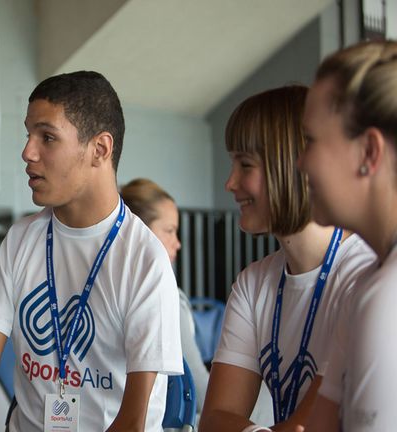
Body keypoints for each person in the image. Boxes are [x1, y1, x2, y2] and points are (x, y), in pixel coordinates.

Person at [0, 71, 182, 431]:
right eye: (28, 134)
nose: (27, 152)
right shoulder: (21, 240)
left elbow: (133, 420)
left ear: (100, 150)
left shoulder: (144, 259)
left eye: (47, 137)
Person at [199, 86, 376, 432]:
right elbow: (213, 420)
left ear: (294, 165)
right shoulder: (253, 284)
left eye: (245, 164)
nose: (230, 182)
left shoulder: (363, 274)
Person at [297, 40, 397, 432]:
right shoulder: (367, 283)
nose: (301, 161)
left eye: (310, 140)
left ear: (369, 152)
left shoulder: (385, 296)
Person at [120, 178, 209, 415]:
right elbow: (201, 395)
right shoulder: (166, 297)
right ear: (141, 232)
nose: (177, 243)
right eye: (169, 231)